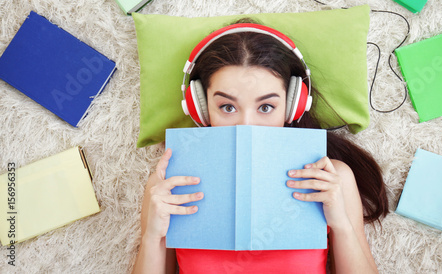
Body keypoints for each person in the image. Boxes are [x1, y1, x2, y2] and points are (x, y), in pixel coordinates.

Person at [133, 20, 389, 274]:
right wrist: (152, 238)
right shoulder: (167, 184)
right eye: (227, 107)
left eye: (266, 107)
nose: (247, 126)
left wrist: (342, 225)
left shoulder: (333, 177)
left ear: (292, 106)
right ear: (200, 108)